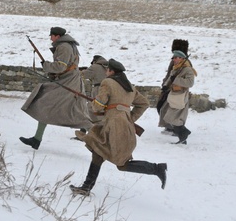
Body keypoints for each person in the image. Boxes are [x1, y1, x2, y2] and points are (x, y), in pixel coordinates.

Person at [70, 59, 167, 196]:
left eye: (107, 70)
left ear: (111, 71)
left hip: (112, 127)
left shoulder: (107, 82)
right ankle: (86, 187)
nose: (106, 72)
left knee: (122, 164)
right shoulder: (130, 88)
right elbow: (144, 104)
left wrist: (99, 104)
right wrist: (129, 118)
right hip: (123, 127)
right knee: (98, 152)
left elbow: (98, 106)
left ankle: (157, 169)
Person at [20, 27, 93, 150]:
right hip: (67, 80)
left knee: (76, 113)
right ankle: (36, 139)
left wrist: (46, 66)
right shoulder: (67, 45)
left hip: (68, 82)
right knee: (47, 106)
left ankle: (101, 141)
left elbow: (60, 67)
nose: (50, 38)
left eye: (52, 36)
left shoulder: (64, 46)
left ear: (57, 36)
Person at [158, 50, 197, 144]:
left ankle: (183, 133)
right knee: (164, 112)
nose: (174, 59)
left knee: (172, 117)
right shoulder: (176, 68)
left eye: (176, 58)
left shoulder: (187, 69)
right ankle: (182, 136)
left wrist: (176, 79)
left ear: (182, 58)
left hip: (180, 96)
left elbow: (190, 83)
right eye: (173, 58)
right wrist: (165, 86)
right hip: (172, 94)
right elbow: (170, 78)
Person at [157, 39, 189, 136]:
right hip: (170, 88)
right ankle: (172, 127)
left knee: (175, 110)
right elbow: (169, 74)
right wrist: (165, 84)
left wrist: (172, 83)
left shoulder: (185, 63)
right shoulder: (176, 61)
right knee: (163, 107)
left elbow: (186, 79)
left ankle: (178, 129)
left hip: (178, 91)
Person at [81, 55, 109, 124]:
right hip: (109, 90)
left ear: (94, 61)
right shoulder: (109, 67)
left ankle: (96, 129)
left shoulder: (95, 67)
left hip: (98, 90)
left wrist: (78, 71)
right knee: (94, 110)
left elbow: (83, 75)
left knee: (92, 111)